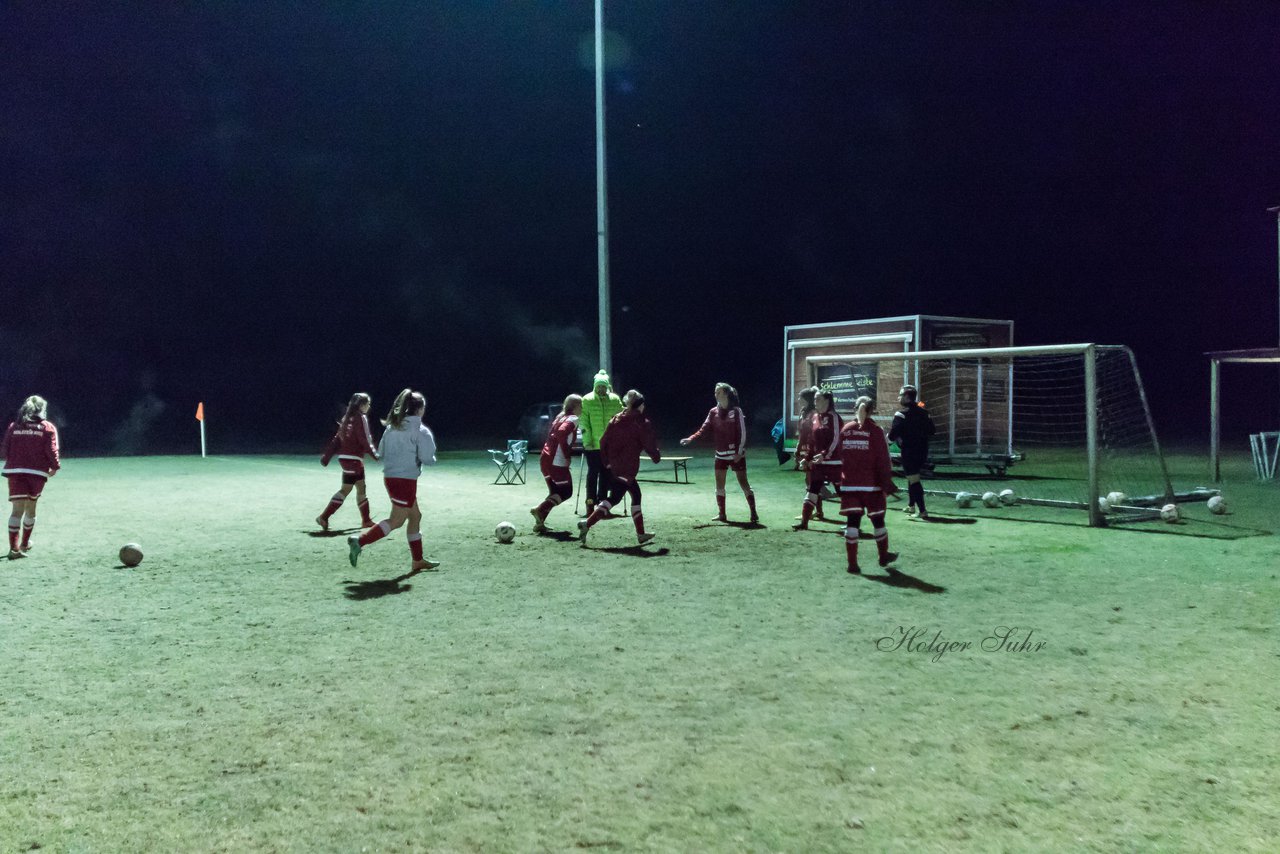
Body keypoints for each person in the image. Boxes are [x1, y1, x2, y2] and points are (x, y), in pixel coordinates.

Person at [347, 389, 439, 573]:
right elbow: (428, 458)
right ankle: (360, 541)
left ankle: (417, 560)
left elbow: (381, 452)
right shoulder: (420, 430)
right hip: (404, 480)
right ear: (420, 409)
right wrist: (427, 459)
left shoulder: (392, 427)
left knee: (415, 516)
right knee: (396, 521)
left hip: (391, 478)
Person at [815, 395, 899, 574]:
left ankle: (852, 564)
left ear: (855, 408)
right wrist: (887, 482)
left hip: (850, 484)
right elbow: (884, 459)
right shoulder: (876, 431)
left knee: (852, 522)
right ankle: (883, 557)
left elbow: (841, 454)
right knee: (878, 521)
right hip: (871, 486)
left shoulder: (846, 429)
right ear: (872, 410)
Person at [579, 390, 660, 546]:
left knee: (635, 494)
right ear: (641, 405)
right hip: (627, 467)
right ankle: (587, 524)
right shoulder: (641, 422)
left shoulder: (616, 419)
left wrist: (607, 462)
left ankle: (641, 534)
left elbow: (603, 442)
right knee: (615, 498)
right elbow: (648, 444)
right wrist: (656, 457)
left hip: (615, 466)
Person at [680, 382, 758, 523]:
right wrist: (691, 438)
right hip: (720, 454)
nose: (715, 394)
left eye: (718, 392)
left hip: (735, 455)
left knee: (743, 483)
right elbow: (704, 429)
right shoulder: (713, 412)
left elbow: (743, 432)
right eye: (715, 392)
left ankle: (753, 512)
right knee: (719, 485)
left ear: (726, 394)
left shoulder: (736, 411)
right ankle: (722, 514)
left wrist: (739, 452)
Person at [1, 395, 60, 560]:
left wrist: (15, 459)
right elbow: (51, 449)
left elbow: (5, 449)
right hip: (37, 473)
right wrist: (55, 466)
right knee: (31, 509)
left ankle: (14, 549)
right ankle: (24, 544)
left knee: (16, 511)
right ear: (42, 410)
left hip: (16, 472)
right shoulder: (47, 427)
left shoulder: (14, 426)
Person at [316, 392, 379, 531]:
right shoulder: (361, 418)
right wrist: (375, 455)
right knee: (346, 489)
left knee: (361, 487)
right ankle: (324, 517)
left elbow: (336, 439)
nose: (369, 407)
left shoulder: (346, 418)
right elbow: (365, 439)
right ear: (362, 405)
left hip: (347, 459)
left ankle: (366, 520)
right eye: (368, 404)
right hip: (354, 460)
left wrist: (327, 457)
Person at [530, 393, 583, 533]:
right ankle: (539, 509)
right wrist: (566, 454)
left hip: (545, 458)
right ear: (576, 406)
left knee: (554, 492)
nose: (582, 408)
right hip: (557, 461)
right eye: (581, 405)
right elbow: (561, 433)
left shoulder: (560, 416)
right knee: (566, 492)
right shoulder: (573, 418)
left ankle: (539, 523)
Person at [793, 389, 842, 530]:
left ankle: (853, 523)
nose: (815, 402)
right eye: (814, 399)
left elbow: (837, 438)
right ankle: (804, 522)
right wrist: (807, 457)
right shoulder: (815, 417)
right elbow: (812, 440)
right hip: (818, 463)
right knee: (813, 489)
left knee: (841, 492)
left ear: (827, 401)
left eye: (818, 399)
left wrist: (825, 454)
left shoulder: (834, 417)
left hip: (834, 462)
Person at [888, 384, 936, 520]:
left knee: (914, 480)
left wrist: (889, 441)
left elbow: (892, 436)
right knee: (912, 477)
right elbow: (932, 431)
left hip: (909, 452)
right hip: (923, 451)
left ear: (907, 397)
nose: (898, 397)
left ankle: (922, 511)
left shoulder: (901, 415)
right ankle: (911, 505)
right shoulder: (924, 412)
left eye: (901, 395)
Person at [579, 370, 623, 517]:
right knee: (593, 474)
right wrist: (587, 441)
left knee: (606, 474)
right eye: (598, 386)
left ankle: (602, 505)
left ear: (607, 386)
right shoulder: (587, 400)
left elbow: (621, 419)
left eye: (603, 386)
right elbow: (584, 422)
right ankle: (590, 504)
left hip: (610, 447)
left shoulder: (615, 400)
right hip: (593, 446)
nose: (601, 389)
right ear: (594, 386)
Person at [793, 386, 818, 472]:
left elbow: (813, 432)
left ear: (806, 399)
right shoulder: (803, 411)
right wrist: (798, 446)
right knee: (806, 472)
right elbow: (800, 430)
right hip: (803, 445)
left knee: (811, 472)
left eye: (800, 397)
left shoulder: (814, 413)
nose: (798, 399)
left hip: (812, 446)